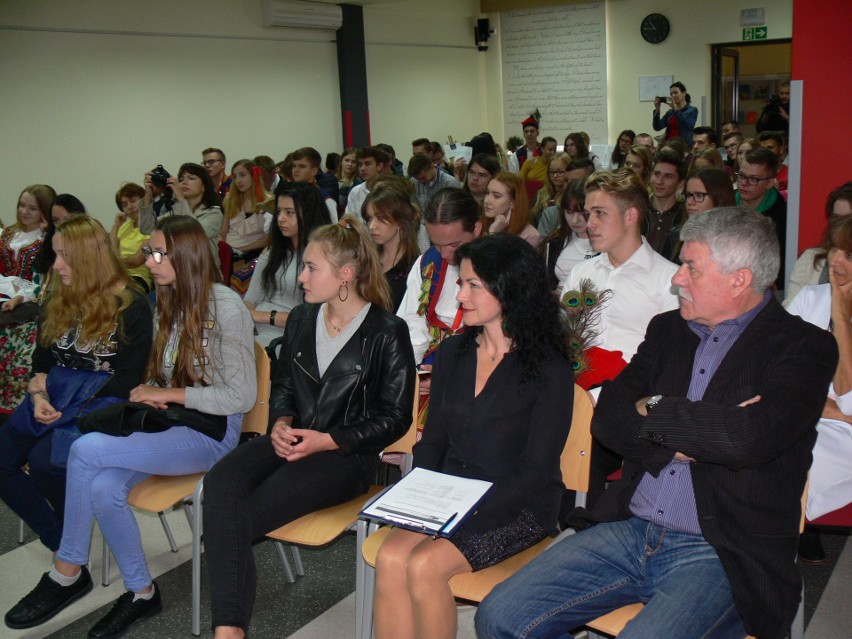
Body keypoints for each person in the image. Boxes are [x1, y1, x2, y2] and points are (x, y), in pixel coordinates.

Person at [476, 208, 838, 639]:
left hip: (721, 549)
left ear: (739, 280)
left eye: (691, 268)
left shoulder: (805, 348)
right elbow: (609, 419)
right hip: (628, 527)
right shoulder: (669, 330)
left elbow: (745, 440)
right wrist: (699, 433)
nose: (677, 279)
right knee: (499, 616)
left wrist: (655, 407)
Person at [4, 215, 256, 637]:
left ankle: (66, 570)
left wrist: (167, 394)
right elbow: (164, 373)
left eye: (158, 253)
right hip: (174, 424)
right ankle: (141, 591)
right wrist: (154, 390)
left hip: (210, 431)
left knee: (86, 451)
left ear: (186, 258)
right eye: (150, 251)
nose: (149, 259)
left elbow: (240, 397)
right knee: (103, 487)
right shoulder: (168, 300)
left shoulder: (225, 307)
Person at [202, 215, 416, 639]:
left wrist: (329, 439)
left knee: (235, 517)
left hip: (345, 455)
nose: (301, 278)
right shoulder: (301, 319)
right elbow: (283, 385)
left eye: (311, 268)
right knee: (220, 483)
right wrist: (280, 421)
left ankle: (228, 630)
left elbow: (396, 418)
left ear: (346, 275)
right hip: (293, 437)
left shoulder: (387, 332)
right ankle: (230, 630)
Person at [373, 233, 573, 639]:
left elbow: (535, 471)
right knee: (391, 555)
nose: (459, 294)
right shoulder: (454, 353)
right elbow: (433, 443)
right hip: (450, 494)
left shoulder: (549, 369)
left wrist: (460, 512)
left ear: (509, 290)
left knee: (424, 565)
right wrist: (420, 499)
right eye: (460, 282)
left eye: (471, 285)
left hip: (518, 506)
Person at [0, 216, 152, 556]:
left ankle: (68, 546)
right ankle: (61, 538)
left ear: (87, 258)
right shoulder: (61, 298)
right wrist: (39, 396)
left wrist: (66, 408)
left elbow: (126, 381)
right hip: (53, 397)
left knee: (45, 462)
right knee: (3, 461)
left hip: (96, 406)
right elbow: (42, 361)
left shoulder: (132, 305)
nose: (56, 265)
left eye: (64, 256)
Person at [787, 213, 852, 563]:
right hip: (799, 415)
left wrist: (841, 317)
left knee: (784, 468)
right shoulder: (811, 298)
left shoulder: (832, 304)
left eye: (850, 255)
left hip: (844, 441)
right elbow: (775, 371)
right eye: (835, 249)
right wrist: (824, 405)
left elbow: (850, 402)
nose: (836, 261)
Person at [243, 182, 331, 348]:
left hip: (288, 337)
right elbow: (251, 298)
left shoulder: (323, 257)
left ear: (309, 214)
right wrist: (248, 321)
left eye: (289, 212)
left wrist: (259, 316)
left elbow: (314, 317)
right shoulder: (272, 251)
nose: (281, 219)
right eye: (279, 212)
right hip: (255, 328)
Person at [0, 184, 54, 412]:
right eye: (22, 205)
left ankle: (20, 413)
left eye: (33, 208)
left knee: (19, 366)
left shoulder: (47, 240)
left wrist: (19, 297)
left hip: (28, 316)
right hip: (4, 306)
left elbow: (40, 281)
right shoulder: (9, 233)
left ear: (45, 210)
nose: (25, 212)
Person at [140, 162, 224, 267]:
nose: (184, 182)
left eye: (191, 178)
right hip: (180, 269)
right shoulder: (176, 210)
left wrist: (180, 199)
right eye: (181, 179)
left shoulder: (213, 212)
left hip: (205, 272)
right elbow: (147, 228)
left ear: (204, 187)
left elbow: (194, 235)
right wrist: (148, 196)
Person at [785, 182, 852, 305]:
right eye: (836, 219)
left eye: (848, 220)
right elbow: (790, 317)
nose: (840, 226)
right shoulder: (810, 260)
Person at [362, 185, 421, 312]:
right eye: (369, 218)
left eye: (381, 218)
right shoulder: (365, 260)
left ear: (400, 220)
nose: (372, 226)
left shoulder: (415, 267)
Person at [735, 147, 786, 287]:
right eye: (741, 176)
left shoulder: (782, 216)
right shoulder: (726, 202)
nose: (744, 183)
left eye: (753, 179)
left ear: (770, 183)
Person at [539, 179, 598, 291]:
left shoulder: (607, 245)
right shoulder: (554, 243)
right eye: (569, 212)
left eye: (582, 213)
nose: (575, 220)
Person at [668, 168, 736, 262]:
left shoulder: (737, 242)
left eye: (699, 195)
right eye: (688, 195)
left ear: (720, 198)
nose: (690, 202)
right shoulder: (675, 235)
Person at [220, 159, 273, 262]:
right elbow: (223, 233)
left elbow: (267, 240)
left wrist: (238, 250)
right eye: (235, 177)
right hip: (229, 251)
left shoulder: (268, 202)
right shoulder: (229, 200)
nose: (238, 180)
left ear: (254, 176)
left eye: (242, 175)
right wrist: (225, 250)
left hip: (254, 253)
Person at [110, 182, 153, 292]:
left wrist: (115, 262)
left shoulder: (151, 225)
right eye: (124, 205)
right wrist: (116, 226)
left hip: (139, 277)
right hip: (116, 275)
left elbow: (138, 260)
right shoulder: (124, 227)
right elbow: (109, 249)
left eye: (133, 201)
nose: (130, 206)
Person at [484, 172, 541, 248]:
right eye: (487, 193)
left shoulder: (530, 236)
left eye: (496, 196)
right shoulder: (479, 224)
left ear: (513, 202)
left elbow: (496, 259)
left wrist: (494, 234)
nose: (487, 200)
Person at [646, 149, 685, 255]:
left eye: (668, 176)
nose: (659, 181)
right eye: (657, 174)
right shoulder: (638, 211)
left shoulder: (685, 217)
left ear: (680, 183)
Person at [652, 81, 699, 147]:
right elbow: (657, 127)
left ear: (684, 93)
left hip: (683, 147)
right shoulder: (670, 112)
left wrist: (676, 110)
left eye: (676, 93)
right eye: (671, 94)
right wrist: (657, 110)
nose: (673, 95)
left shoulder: (692, 110)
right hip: (669, 146)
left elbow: (688, 126)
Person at [529, 149, 568, 224]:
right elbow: (532, 221)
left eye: (560, 172)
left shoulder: (570, 195)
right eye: (552, 172)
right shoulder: (540, 194)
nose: (555, 175)